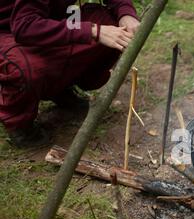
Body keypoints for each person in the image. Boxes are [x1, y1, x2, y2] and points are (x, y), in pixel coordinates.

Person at [0, 0, 140, 148]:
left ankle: (59, 87)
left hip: (49, 19)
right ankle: (19, 123)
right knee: (29, 67)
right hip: (8, 30)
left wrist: (126, 14)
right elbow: (25, 25)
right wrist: (93, 31)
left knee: (110, 23)